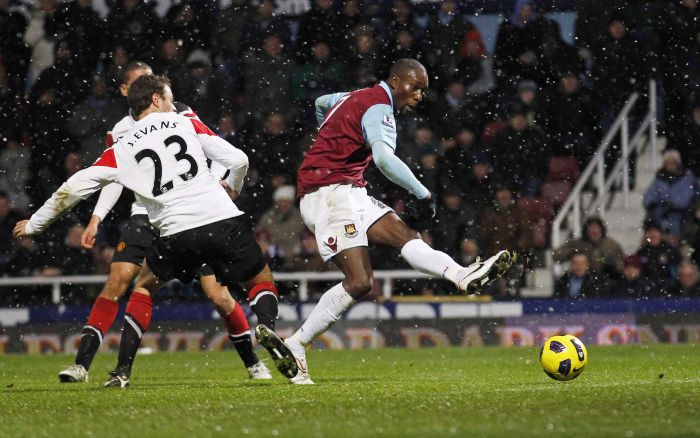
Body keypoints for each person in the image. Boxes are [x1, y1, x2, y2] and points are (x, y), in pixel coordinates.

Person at [14, 74, 298, 388]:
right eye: (169, 97)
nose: (173, 103)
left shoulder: (121, 146)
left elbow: (73, 187)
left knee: (145, 287)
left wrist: (35, 225)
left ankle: (121, 372)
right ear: (155, 100)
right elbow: (238, 159)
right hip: (220, 219)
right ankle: (268, 326)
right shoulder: (184, 122)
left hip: (174, 231)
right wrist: (232, 186)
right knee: (258, 279)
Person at [284, 59, 514, 384]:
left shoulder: (355, 96)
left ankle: (461, 275)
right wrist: (423, 194)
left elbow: (321, 103)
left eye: (423, 90)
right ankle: (297, 343)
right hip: (329, 193)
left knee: (405, 235)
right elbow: (383, 158)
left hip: (346, 189)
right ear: (395, 80)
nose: (419, 95)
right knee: (360, 281)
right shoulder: (380, 107)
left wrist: (327, 139)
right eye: (415, 86)